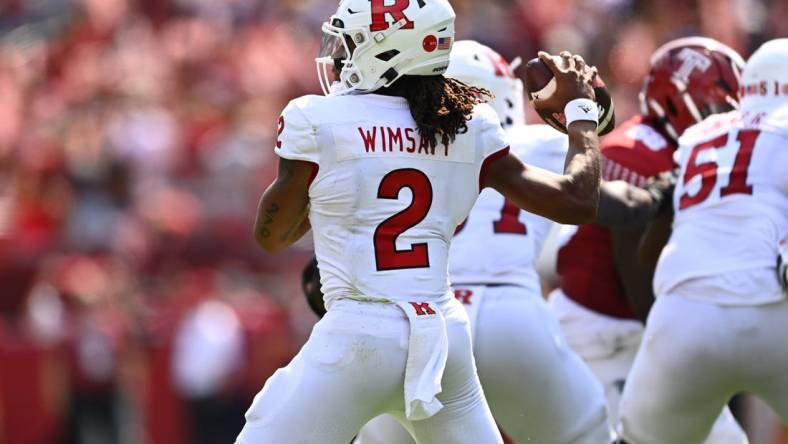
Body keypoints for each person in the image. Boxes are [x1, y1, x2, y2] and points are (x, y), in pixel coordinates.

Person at [234, 0, 604, 441]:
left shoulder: (318, 120)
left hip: (357, 336)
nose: (338, 57)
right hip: (443, 337)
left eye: (349, 44)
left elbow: (272, 236)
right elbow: (578, 202)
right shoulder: (468, 125)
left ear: (387, 51)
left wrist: (340, 191)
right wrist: (583, 112)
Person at [355, 40, 612, 444]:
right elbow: (595, 195)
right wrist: (585, 109)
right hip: (507, 314)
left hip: (411, 324)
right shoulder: (533, 144)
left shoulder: (384, 148)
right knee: (588, 434)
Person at [548, 37, 748, 441]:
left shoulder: (681, 151)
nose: (726, 122)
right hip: (601, 334)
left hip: (637, 329)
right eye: (718, 108)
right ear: (676, 102)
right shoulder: (637, 153)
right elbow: (637, 274)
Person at [618, 38, 788, 444]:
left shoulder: (701, 136)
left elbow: (648, 250)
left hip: (684, 312)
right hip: (770, 308)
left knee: (639, 439)